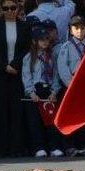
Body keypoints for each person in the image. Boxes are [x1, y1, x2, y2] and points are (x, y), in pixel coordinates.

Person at [0, 0, 30, 157]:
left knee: (16, 111)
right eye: (6, 8)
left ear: (18, 9)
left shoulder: (25, 26)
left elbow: (26, 49)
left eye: (13, 8)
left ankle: (15, 147)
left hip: (17, 73)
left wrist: (14, 65)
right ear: (1, 9)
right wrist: (4, 67)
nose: (10, 11)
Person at [21, 26, 64, 158]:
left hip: (49, 90)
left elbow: (57, 74)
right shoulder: (29, 57)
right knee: (35, 122)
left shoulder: (52, 56)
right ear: (34, 41)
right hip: (35, 91)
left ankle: (53, 147)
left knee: (51, 120)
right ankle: (39, 147)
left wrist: (54, 91)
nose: (45, 42)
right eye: (41, 40)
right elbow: (26, 75)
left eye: (47, 39)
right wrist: (31, 92)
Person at [57, 16, 85, 156]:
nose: (79, 31)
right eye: (76, 28)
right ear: (71, 31)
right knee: (71, 116)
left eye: (82, 28)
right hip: (71, 86)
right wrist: (70, 84)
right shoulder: (66, 47)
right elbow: (62, 68)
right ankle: (70, 145)